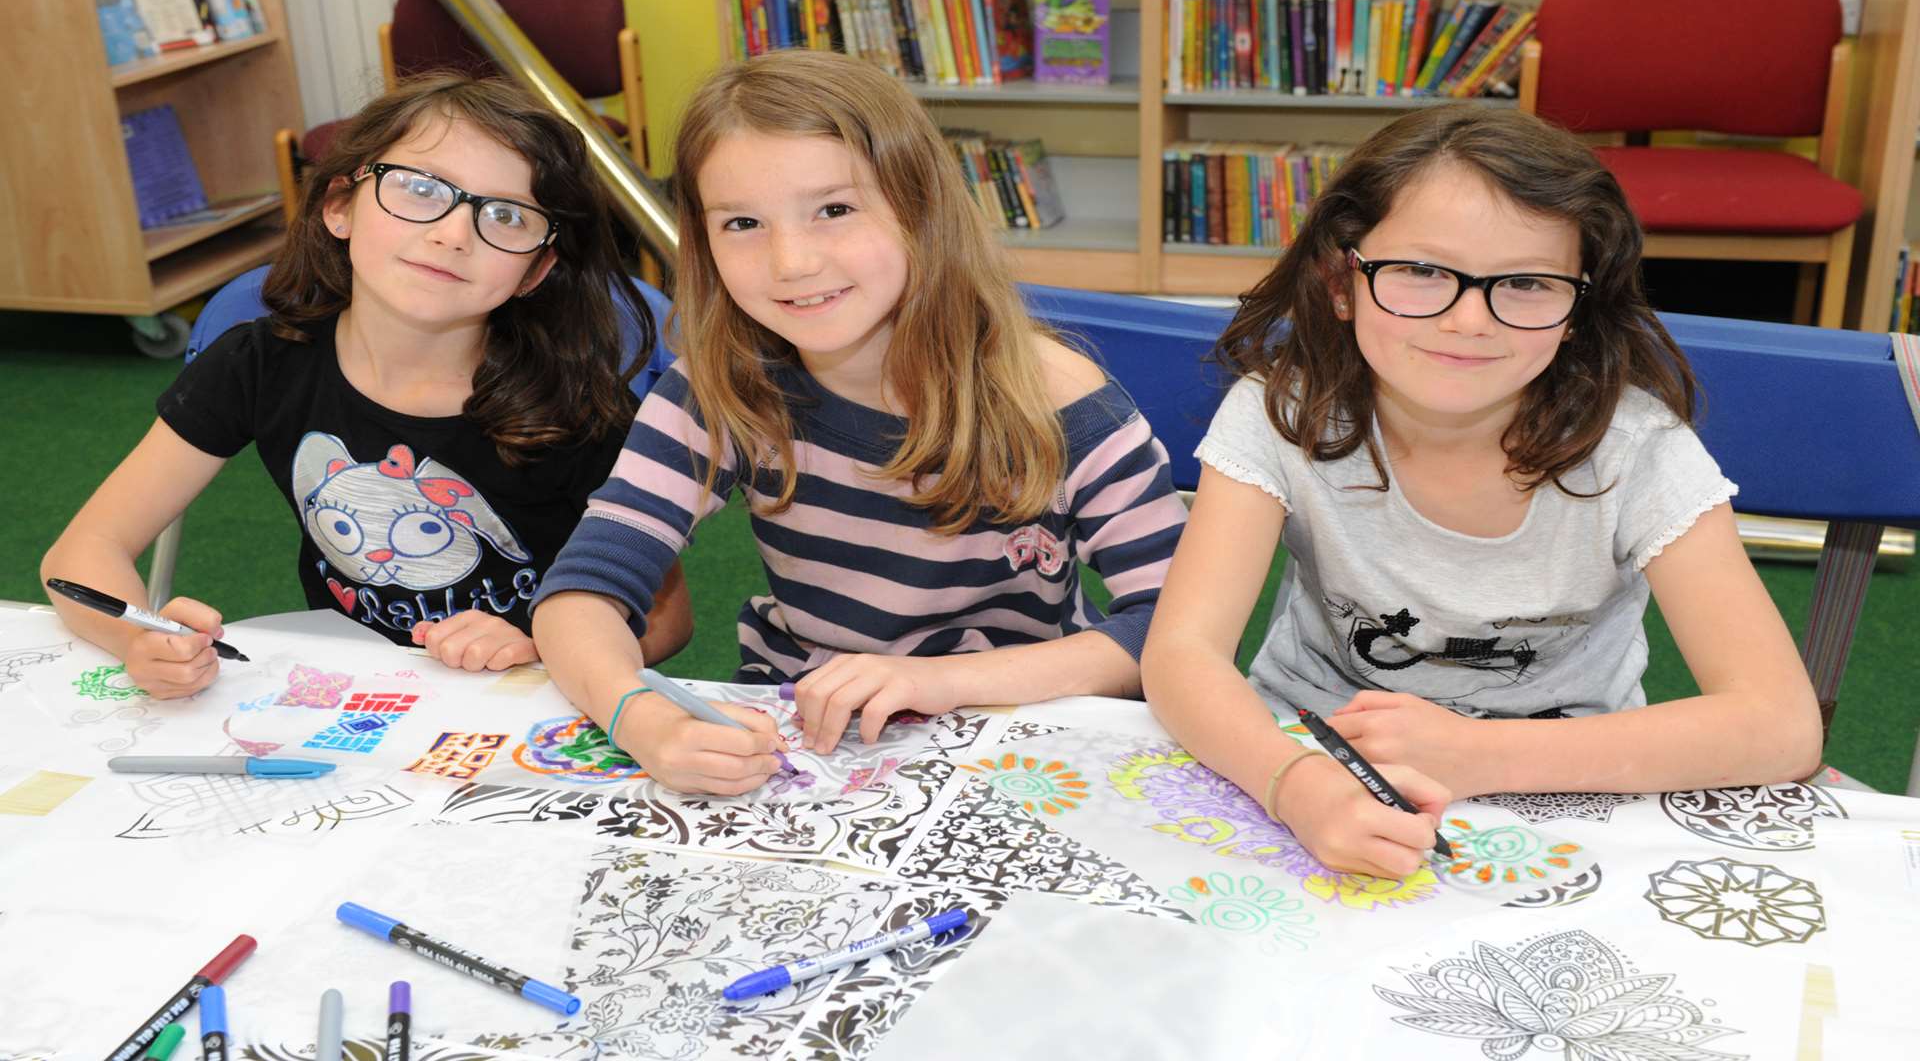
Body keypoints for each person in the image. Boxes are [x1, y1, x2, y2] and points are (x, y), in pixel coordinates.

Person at [1141, 105, 1823, 880]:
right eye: (1423, 271)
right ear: (1342, 281)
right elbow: (1182, 654)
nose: (1469, 321)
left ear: (1578, 308)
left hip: (1570, 781)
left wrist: (1476, 753)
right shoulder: (1284, 411)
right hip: (1302, 760)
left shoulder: (1642, 453)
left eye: (1527, 283)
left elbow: (1780, 725)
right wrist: (1295, 786)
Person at [532, 50, 1187, 795]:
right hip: (810, 739)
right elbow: (580, 594)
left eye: (834, 209)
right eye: (742, 222)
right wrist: (636, 717)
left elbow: (1174, 632)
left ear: (920, 208)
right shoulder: (720, 387)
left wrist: (939, 682)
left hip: (1024, 728)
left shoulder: (1059, 400)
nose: (792, 261)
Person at [42, 73, 692, 699]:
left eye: (506, 216)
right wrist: (139, 640)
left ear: (536, 269)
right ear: (339, 206)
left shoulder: (577, 406)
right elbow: (82, 553)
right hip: (355, 701)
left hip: (521, 703)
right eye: (419, 189)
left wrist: (538, 646)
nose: (452, 233)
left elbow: (665, 621)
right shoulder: (260, 365)